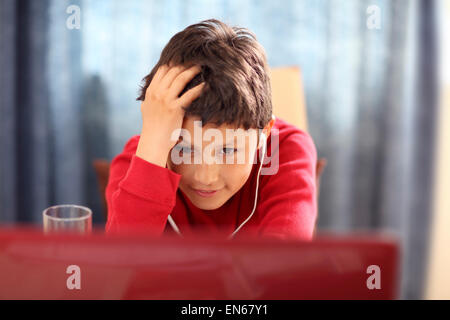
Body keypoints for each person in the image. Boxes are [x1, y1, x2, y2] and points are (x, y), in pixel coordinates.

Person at [105, 19, 317, 240]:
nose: (205, 177)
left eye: (227, 151)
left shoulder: (287, 149)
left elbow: (284, 265)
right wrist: (153, 150)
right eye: (184, 150)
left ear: (264, 133)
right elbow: (122, 263)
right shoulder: (142, 155)